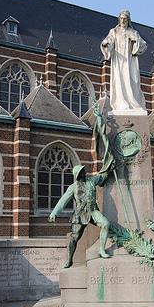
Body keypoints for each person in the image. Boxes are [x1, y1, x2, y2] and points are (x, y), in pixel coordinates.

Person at [49, 106, 115, 268]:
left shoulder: (92, 180)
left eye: (83, 172)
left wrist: (99, 121)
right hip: (80, 214)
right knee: (74, 238)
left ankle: (101, 249)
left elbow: (105, 171)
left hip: (93, 211)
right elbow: (64, 199)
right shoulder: (73, 187)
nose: (83, 174)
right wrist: (54, 212)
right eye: (80, 173)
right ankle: (69, 259)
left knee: (105, 224)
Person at [101, 10, 147, 112]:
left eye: (125, 18)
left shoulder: (134, 32)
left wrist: (135, 40)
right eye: (121, 18)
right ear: (119, 19)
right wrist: (106, 44)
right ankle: (120, 103)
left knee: (132, 82)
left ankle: (133, 103)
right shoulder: (114, 31)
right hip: (118, 61)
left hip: (130, 63)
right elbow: (109, 40)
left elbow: (144, 45)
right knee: (119, 82)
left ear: (128, 20)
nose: (123, 20)